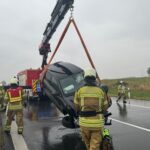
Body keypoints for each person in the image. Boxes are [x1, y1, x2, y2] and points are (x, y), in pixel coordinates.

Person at [74, 68, 108, 150]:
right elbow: (105, 107)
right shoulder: (101, 91)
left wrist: (79, 112)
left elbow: (76, 106)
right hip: (97, 123)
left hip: (84, 123)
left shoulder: (79, 90)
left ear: (85, 78)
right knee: (94, 146)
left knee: (88, 144)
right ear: (94, 78)